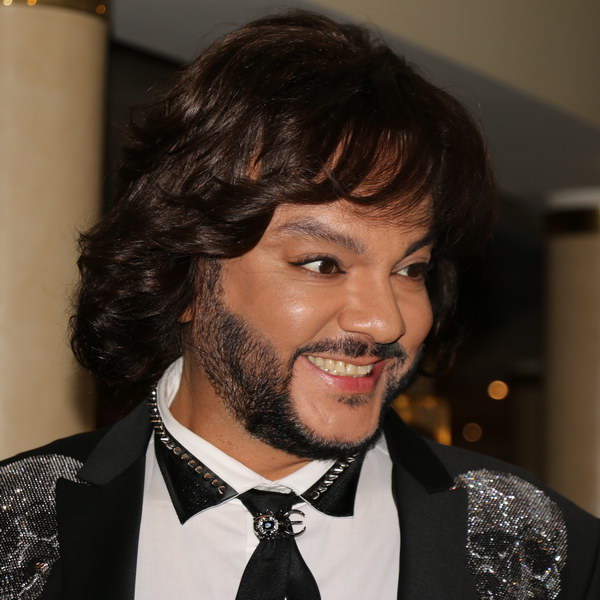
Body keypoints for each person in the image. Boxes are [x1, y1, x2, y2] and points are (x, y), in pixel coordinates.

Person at [1, 10, 598, 600]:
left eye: (410, 270)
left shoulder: (544, 553)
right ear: (181, 276)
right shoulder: (18, 533)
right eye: (322, 264)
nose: (386, 321)